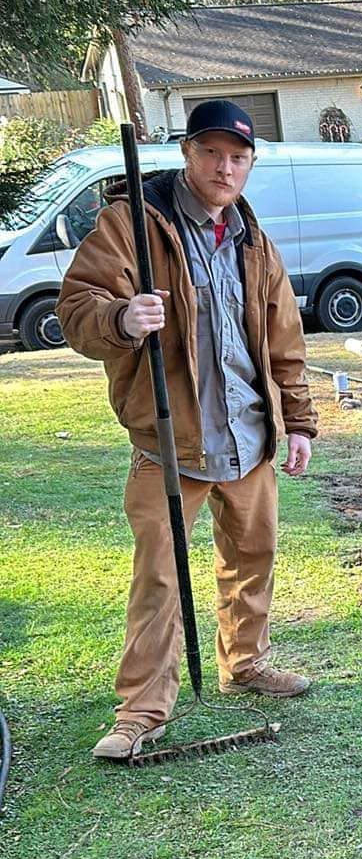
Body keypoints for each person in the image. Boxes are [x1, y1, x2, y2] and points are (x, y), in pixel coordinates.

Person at [57, 99, 318, 761]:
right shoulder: (133, 226)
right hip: (171, 445)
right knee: (160, 580)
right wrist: (121, 318)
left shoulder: (255, 240)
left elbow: (285, 341)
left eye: (238, 157)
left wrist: (298, 422)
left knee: (252, 557)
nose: (224, 167)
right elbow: (77, 305)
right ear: (187, 153)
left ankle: (246, 663)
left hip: (250, 437)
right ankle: (141, 711)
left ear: (250, 164)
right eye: (212, 153)